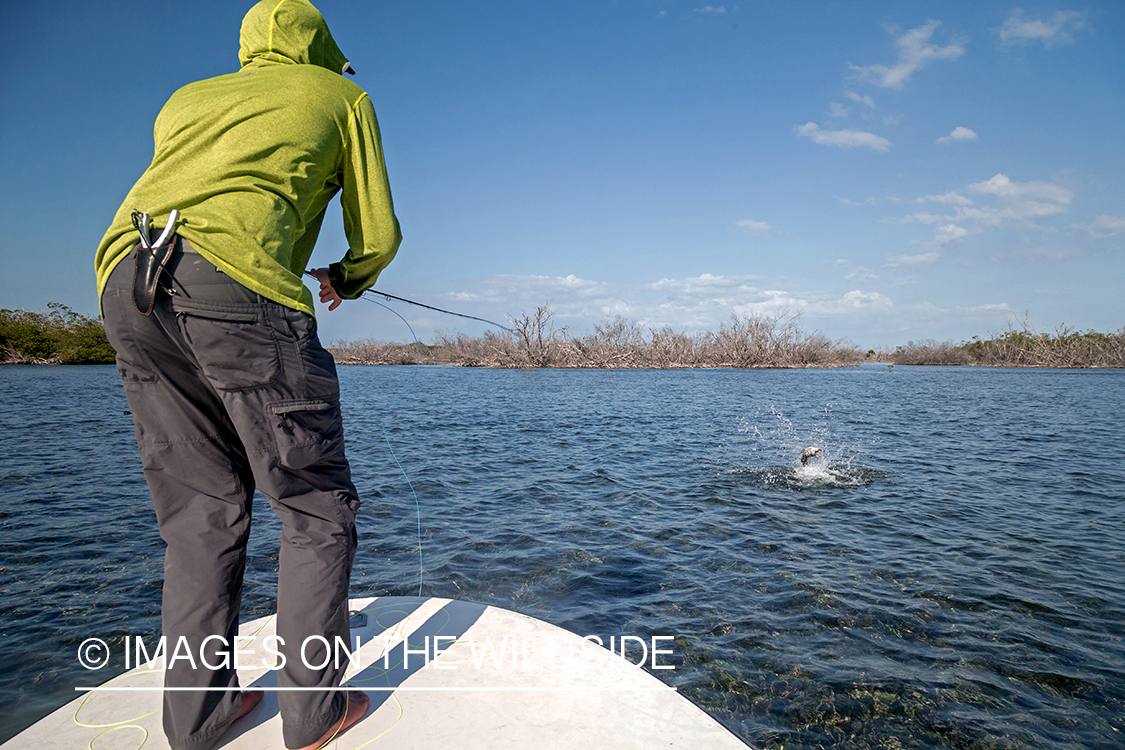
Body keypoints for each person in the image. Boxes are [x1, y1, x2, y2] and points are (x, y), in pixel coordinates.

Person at [94, 1, 401, 748]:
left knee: (199, 518)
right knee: (315, 506)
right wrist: (348, 279)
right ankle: (315, 714)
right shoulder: (340, 95)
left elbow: (210, 197)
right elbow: (379, 233)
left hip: (123, 279)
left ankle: (198, 720)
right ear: (319, 48)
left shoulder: (186, 100)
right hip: (235, 292)